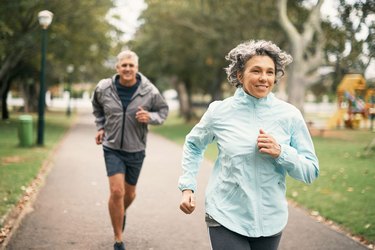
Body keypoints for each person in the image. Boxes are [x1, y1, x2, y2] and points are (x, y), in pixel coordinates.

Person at [178, 40, 319, 250]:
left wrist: (282, 152)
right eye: (256, 71)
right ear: (239, 75)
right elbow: (193, 144)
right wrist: (187, 186)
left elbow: (310, 171)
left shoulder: (290, 115)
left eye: (270, 72)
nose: (264, 78)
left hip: (271, 219)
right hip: (225, 213)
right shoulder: (219, 112)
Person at [92, 50, 169, 250]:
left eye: (131, 65)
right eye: (124, 65)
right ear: (117, 68)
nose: (127, 69)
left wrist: (150, 118)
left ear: (137, 68)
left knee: (130, 194)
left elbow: (163, 111)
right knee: (117, 191)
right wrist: (101, 126)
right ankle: (118, 238)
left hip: (136, 148)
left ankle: (119, 212)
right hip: (112, 146)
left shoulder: (149, 90)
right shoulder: (104, 88)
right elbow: (97, 107)